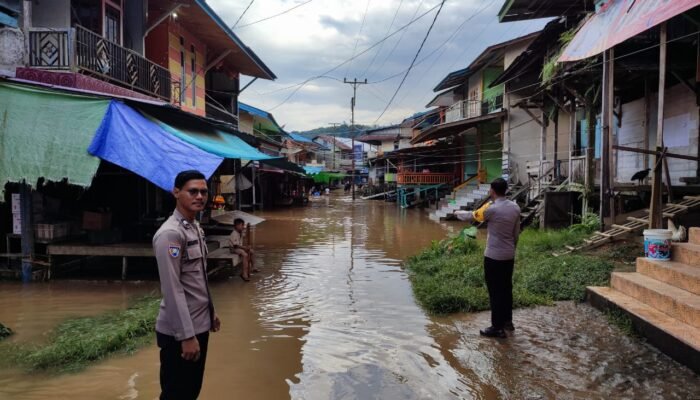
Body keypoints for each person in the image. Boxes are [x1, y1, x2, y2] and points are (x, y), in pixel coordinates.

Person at [153, 170, 221, 400]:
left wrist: (211, 311)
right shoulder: (170, 234)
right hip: (180, 333)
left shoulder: (194, 228)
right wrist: (186, 337)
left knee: (191, 392)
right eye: (193, 191)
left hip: (199, 324)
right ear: (176, 192)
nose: (200, 196)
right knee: (176, 394)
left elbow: (198, 278)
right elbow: (172, 290)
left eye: (203, 191)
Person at [454, 178, 520, 338]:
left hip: (493, 257)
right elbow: (516, 233)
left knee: (495, 291)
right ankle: (507, 322)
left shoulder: (491, 209)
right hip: (508, 254)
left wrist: (457, 213)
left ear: (492, 190)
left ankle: (496, 327)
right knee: (506, 289)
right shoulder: (515, 208)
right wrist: (511, 248)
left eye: (490, 189)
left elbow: (472, 216)